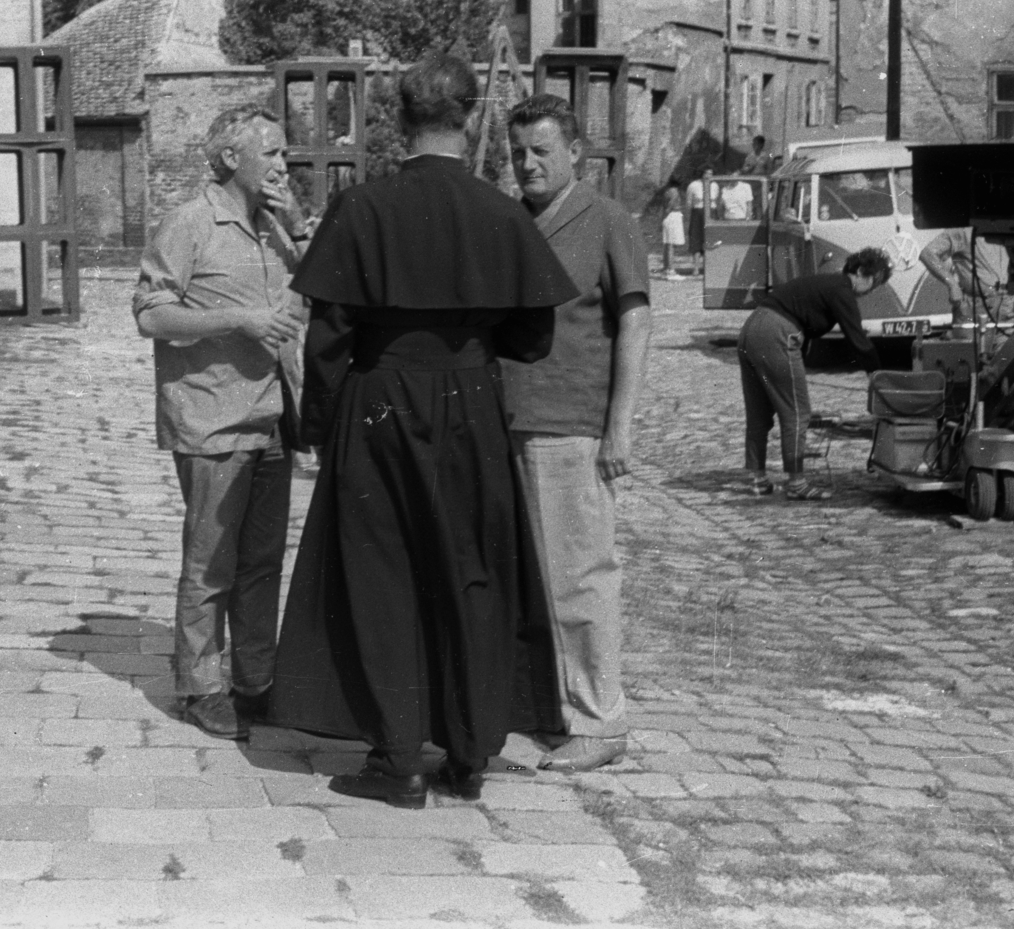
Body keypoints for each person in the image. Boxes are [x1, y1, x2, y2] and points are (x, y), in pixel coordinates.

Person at [270, 55, 575, 809]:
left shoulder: (362, 207)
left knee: (382, 574)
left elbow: (329, 335)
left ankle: (399, 757)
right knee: (473, 570)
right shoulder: (502, 213)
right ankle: (469, 753)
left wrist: (316, 428)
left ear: (397, 119)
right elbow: (535, 336)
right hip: (471, 406)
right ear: (470, 117)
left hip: (378, 407)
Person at [131, 104, 311, 741]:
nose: (284, 165)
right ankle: (201, 685)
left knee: (263, 560)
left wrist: (296, 222)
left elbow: (319, 287)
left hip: (273, 418)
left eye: (285, 153)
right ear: (232, 158)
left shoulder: (277, 229)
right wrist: (237, 320)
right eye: (274, 153)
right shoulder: (190, 224)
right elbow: (152, 316)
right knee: (211, 562)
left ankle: (254, 679)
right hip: (212, 418)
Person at [504, 94, 652, 774]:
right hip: (511, 425)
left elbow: (637, 324)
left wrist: (617, 428)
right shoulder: (510, 222)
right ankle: (550, 705)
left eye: (541, 151)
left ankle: (600, 720)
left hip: (571, 429)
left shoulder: (608, 220)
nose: (527, 164)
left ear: (575, 153)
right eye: (518, 153)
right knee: (531, 581)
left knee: (580, 577)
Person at [738, 249, 892, 501]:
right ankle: (797, 483)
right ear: (862, 273)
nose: (872, 290)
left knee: (758, 413)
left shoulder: (828, 283)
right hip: (777, 333)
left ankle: (757, 479)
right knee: (797, 412)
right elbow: (857, 338)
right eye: (875, 283)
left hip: (752, 328)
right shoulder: (842, 289)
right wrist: (878, 375)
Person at [919, 226, 1014, 325]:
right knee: (968, 340)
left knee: (1013, 340)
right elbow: (927, 254)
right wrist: (952, 284)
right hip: (974, 308)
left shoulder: (1003, 226)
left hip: (1006, 304)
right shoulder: (963, 230)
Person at [684, 167, 713, 276]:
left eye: (711, 174)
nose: (709, 176)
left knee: (710, 240)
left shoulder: (715, 186)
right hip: (697, 213)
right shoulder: (693, 186)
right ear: (702, 173)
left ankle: (708, 268)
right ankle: (696, 268)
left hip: (711, 213)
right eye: (707, 173)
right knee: (696, 240)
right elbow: (689, 203)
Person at [660, 181, 686, 279]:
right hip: (673, 215)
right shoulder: (674, 191)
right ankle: (671, 271)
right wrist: (668, 211)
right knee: (671, 245)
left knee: (667, 244)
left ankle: (666, 269)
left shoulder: (666, 191)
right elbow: (670, 204)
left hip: (668, 217)